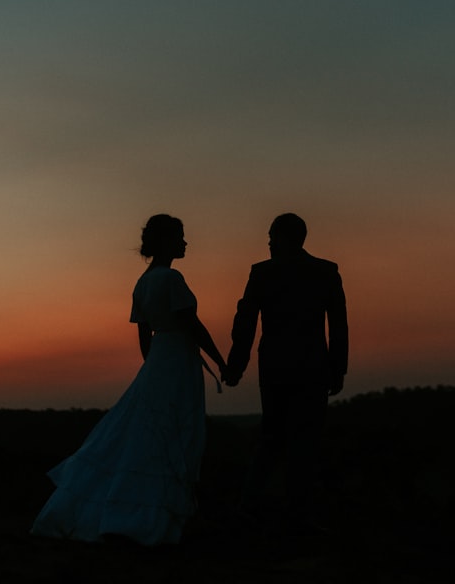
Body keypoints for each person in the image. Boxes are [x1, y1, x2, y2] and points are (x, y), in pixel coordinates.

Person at [31, 214, 227, 545]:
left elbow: (144, 337)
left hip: (158, 362)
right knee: (177, 430)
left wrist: (151, 369)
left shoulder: (142, 282)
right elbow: (192, 325)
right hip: (176, 359)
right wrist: (221, 360)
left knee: (147, 431)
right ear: (165, 241)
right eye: (180, 236)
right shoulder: (171, 278)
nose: (185, 242)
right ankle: (156, 515)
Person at [223, 213, 348, 525]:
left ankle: (249, 506)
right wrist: (337, 369)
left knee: (272, 438)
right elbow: (339, 327)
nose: (267, 243)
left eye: (271, 236)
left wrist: (236, 366)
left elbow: (245, 324)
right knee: (304, 441)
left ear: (283, 237)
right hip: (314, 367)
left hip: (278, 368)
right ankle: (295, 511)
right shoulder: (325, 272)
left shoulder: (262, 273)